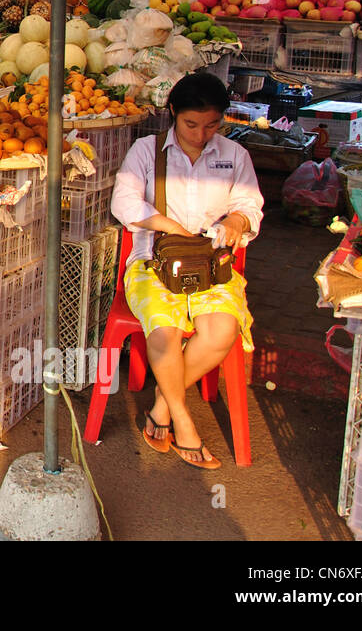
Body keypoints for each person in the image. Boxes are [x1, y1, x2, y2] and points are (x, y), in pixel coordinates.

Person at [110, 72, 263, 470]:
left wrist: (237, 223)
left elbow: (250, 206)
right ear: (174, 113)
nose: (201, 134)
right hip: (153, 261)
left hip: (212, 262)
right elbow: (123, 203)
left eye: (212, 124)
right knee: (165, 330)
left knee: (222, 332)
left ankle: (161, 406)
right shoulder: (147, 150)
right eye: (191, 124)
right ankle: (183, 420)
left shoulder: (235, 155)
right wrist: (167, 225)